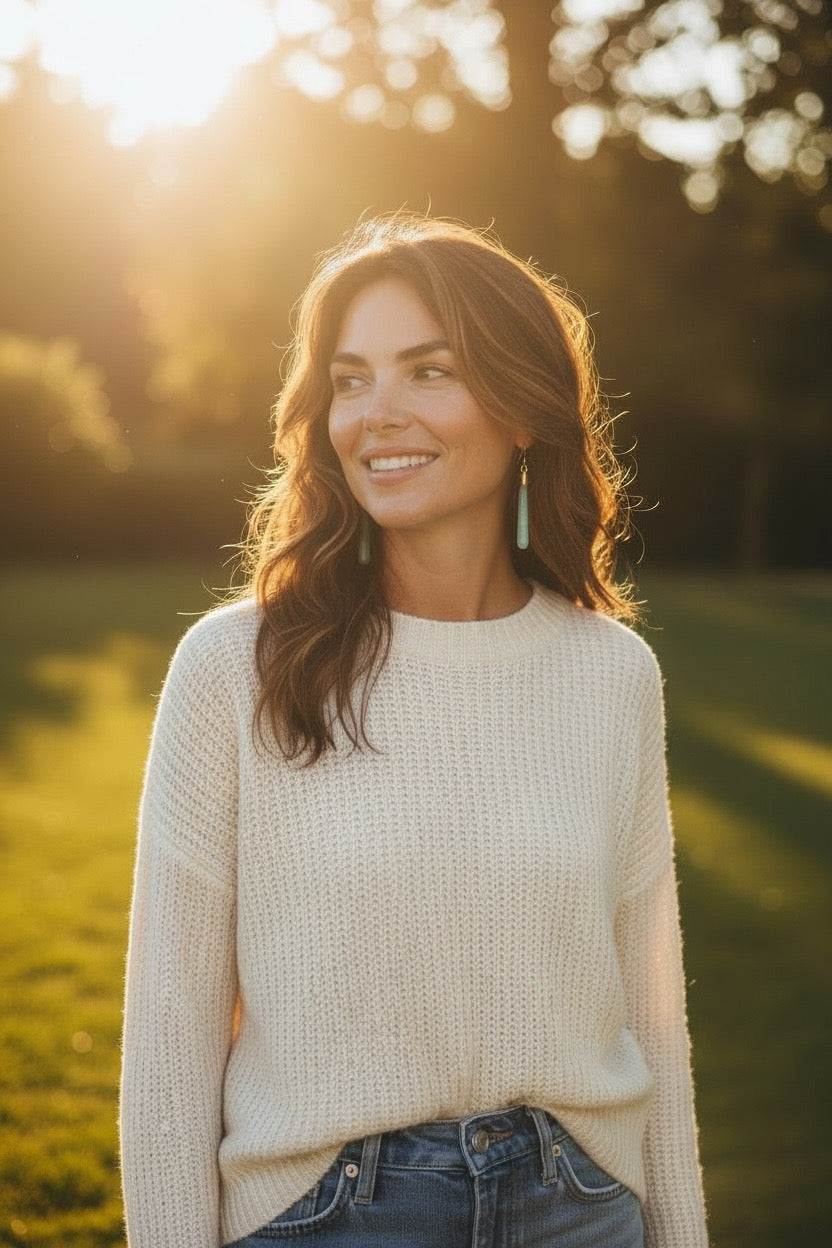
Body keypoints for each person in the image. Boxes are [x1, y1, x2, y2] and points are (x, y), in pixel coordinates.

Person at [119, 214, 709, 1248]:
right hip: (330, 1216)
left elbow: (651, 1014)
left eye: (428, 371)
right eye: (349, 380)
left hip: (582, 1209)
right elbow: (171, 1041)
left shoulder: (612, 674)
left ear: (524, 408)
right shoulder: (234, 668)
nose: (375, 415)